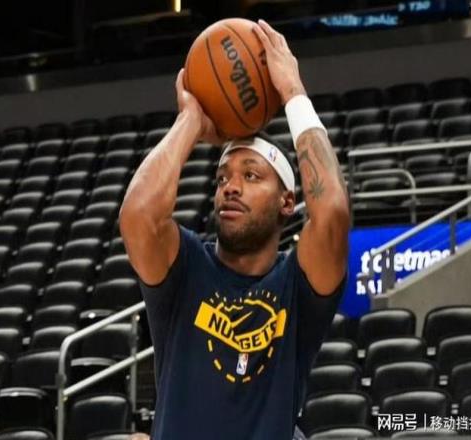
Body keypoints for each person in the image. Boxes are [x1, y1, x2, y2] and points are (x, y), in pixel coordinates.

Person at [120, 19, 349, 440]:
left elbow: (332, 212)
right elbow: (137, 217)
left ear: (287, 203)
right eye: (223, 177)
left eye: (251, 175)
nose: (231, 186)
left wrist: (293, 92)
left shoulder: (296, 286)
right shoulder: (187, 267)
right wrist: (190, 120)